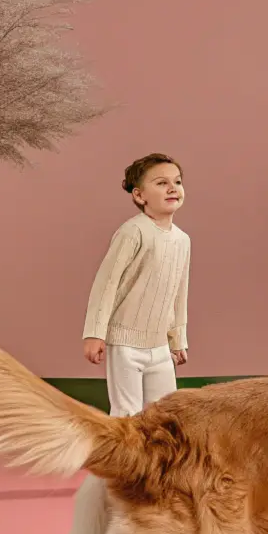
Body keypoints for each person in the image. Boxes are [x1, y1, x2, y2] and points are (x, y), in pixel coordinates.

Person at [82, 153, 191, 417]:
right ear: (140, 196)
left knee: (164, 414)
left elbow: (179, 293)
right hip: (125, 343)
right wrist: (94, 333)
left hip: (159, 346)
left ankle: (159, 459)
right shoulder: (133, 232)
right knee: (126, 413)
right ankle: (120, 460)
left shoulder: (182, 240)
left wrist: (177, 339)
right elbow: (106, 284)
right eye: (161, 183)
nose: (172, 188)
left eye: (176, 181)